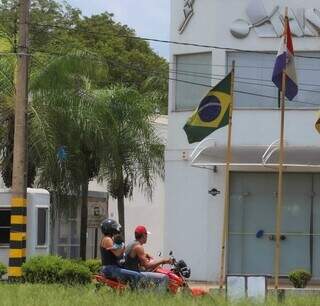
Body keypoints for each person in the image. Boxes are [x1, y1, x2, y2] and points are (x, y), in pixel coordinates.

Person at [124, 225, 171, 291]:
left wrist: (146, 255)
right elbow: (147, 266)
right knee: (164, 277)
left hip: (129, 273)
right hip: (135, 275)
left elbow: (133, 257)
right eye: (146, 235)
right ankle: (158, 298)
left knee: (153, 271)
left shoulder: (132, 244)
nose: (147, 237)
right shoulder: (139, 247)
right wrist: (163, 261)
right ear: (143, 235)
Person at [100, 218, 142, 289]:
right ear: (109, 228)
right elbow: (118, 254)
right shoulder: (107, 239)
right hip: (110, 269)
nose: (116, 228)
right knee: (136, 275)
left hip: (111, 268)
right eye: (114, 226)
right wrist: (122, 245)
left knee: (133, 272)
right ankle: (135, 293)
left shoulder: (107, 238)